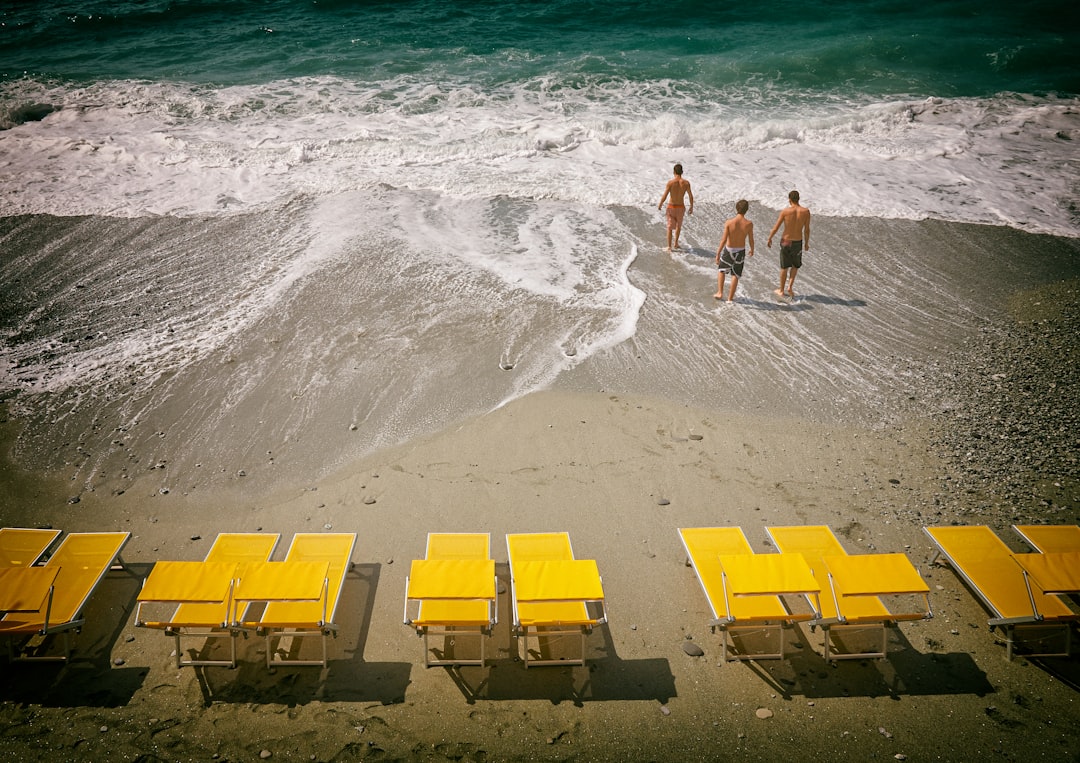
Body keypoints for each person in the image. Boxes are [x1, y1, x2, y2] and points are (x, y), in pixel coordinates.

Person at [766, 190, 810, 298]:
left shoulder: (785, 212)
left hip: (786, 241)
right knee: (795, 266)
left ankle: (781, 290)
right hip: (798, 241)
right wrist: (806, 243)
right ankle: (790, 286)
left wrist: (770, 238)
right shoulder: (806, 211)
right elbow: (807, 230)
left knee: (784, 267)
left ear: (789, 199)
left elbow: (776, 227)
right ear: (799, 199)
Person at [715, 199, 754, 302]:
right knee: (735, 274)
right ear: (746, 210)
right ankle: (730, 298)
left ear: (736, 208)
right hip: (741, 251)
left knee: (721, 270)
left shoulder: (729, 222)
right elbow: (751, 239)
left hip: (729, 250)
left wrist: (718, 253)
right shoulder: (749, 224)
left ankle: (720, 292)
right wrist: (752, 249)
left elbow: (723, 239)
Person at [657, 163, 694, 252]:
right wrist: (691, 206)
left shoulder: (670, 183)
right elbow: (690, 196)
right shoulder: (686, 183)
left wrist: (660, 204)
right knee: (678, 226)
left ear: (674, 172)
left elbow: (665, 195)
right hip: (681, 207)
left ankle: (669, 247)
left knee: (669, 227)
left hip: (671, 207)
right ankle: (676, 243)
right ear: (682, 172)